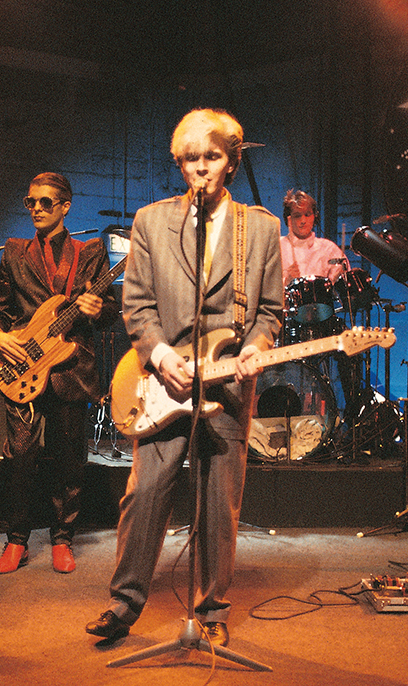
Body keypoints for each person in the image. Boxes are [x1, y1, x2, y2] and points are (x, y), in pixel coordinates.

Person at [85, 109, 283, 647]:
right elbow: (137, 305)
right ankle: (124, 604)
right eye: (191, 159)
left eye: (212, 157)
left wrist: (257, 348)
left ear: (232, 162)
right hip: (163, 382)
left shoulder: (261, 228)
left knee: (220, 504)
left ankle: (213, 610)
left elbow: (270, 312)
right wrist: (161, 355)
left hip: (227, 383)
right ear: (179, 164)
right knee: (145, 493)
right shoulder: (151, 221)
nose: (200, 168)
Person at [0, 172, 119, 575]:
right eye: (31, 202)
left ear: (65, 206)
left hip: (71, 367)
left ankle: (63, 539)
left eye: (46, 202)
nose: (37, 209)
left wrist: (101, 311)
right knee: (21, 453)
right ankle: (17, 540)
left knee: (68, 459)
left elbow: (108, 308)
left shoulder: (91, 252)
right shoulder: (14, 251)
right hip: (22, 364)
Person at [279, 189, 347, 288]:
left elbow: (340, 290)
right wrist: (286, 281)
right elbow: (265, 289)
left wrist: (340, 278)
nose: (303, 221)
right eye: (297, 216)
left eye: (307, 215)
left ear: (315, 216)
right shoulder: (277, 247)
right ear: (289, 219)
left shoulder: (328, 249)